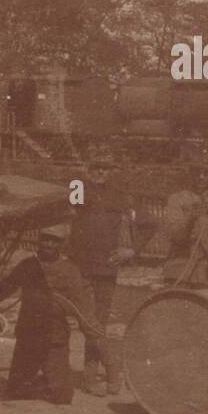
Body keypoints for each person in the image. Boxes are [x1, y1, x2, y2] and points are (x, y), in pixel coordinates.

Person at [0, 222, 102, 405]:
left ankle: (45, 380)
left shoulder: (70, 270)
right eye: (45, 239)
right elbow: (3, 290)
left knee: (62, 397)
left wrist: (94, 334)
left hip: (54, 339)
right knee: (15, 392)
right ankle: (34, 381)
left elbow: (82, 309)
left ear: (62, 244)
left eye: (55, 241)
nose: (49, 244)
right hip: (29, 337)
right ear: (38, 240)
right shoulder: (27, 265)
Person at [67, 162, 135, 395]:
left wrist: (132, 249)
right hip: (81, 266)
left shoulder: (119, 195)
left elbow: (144, 221)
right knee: (88, 321)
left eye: (105, 168)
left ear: (112, 171)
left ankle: (89, 376)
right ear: (86, 169)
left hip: (107, 268)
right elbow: (69, 215)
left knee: (99, 322)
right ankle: (112, 368)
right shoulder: (77, 187)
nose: (100, 172)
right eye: (95, 167)